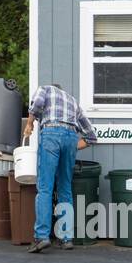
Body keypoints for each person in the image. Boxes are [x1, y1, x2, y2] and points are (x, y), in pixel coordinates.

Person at [22, 83, 98, 253]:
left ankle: (41, 237)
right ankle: (66, 238)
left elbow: (37, 103)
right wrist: (70, 147)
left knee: (45, 189)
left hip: (51, 134)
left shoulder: (46, 89)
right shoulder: (73, 101)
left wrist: (29, 124)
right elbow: (91, 137)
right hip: (71, 137)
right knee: (65, 189)